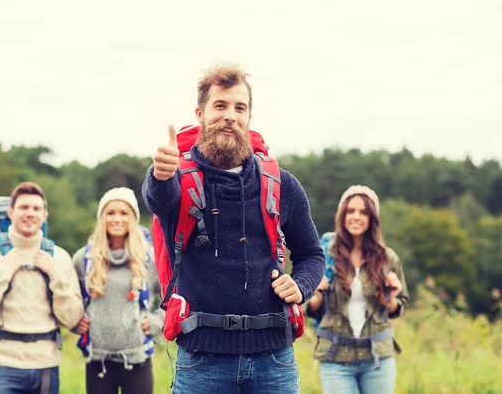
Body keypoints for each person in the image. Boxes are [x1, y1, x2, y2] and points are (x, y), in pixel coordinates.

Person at [142, 64, 325, 393]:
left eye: (239, 108)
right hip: (201, 361)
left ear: (249, 117)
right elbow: (159, 199)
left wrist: (301, 286)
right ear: (200, 114)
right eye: (220, 105)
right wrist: (159, 175)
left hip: (275, 360)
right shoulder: (177, 181)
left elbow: (312, 254)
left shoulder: (283, 184)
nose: (230, 115)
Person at [0, 181, 84, 394]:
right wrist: (2, 272)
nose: (30, 214)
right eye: (24, 207)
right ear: (11, 212)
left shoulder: (59, 258)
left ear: (45, 215)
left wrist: (55, 275)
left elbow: (72, 318)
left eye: (36, 208)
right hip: (2, 364)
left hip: (46, 365)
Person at [306, 185, 409, 394]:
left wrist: (390, 296)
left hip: (378, 358)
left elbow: (396, 308)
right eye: (350, 210)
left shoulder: (388, 258)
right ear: (342, 214)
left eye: (363, 212)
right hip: (335, 357)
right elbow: (311, 308)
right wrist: (316, 294)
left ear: (373, 218)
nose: (356, 217)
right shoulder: (324, 254)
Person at [73, 187, 163, 394]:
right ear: (101, 218)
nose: (117, 219)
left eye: (124, 213)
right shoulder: (84, 259)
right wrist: (75, 321)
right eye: (110, 213)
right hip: (98, 361)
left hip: (138, 360)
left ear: (133, 218)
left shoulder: (150, 258)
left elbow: (175, 295)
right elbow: (68, 299)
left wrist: (159, 320)